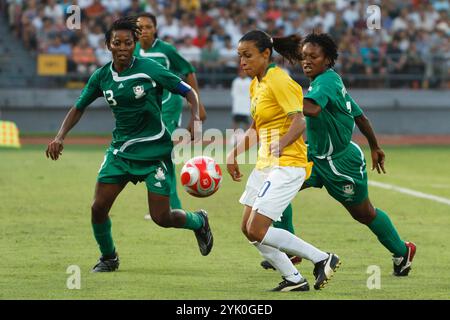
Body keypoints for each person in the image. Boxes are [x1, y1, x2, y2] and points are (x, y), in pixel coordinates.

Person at [45, 17, 213, 272]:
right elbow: (78, 107)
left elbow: (188, 90)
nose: (122, 47)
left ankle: (198, 220)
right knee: (98, 207)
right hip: (120, 153)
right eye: (117, 43)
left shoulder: (150, 68)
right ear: (108, 46)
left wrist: (196, 118)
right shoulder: (101, 77)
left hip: (155, 152)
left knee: (162, 218)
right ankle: (109, 257)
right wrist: (60, 136)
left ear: (135, 44)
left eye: (128, 42)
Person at [262, 33, 416, 277]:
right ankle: (290, 249)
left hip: (342, 164)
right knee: (277, 188)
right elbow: (360, 116)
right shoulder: (325, 81)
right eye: (304, 57)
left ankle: (402, 251)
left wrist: (279, 98)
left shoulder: (327, 82)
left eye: (314, 56)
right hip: (313, 157)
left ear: (328, 60)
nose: (307, 61)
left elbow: (311, 109)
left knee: (364, 214)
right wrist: (375, 146)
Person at [226, 30, 340, 292]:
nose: (242, 61)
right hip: (266, 165)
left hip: (288, 165)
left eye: (247, 55)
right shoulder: (257, 83)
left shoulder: (280, 80)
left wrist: (283, 142)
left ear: (266, 54)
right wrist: (234, 154)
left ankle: (322, 258)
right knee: (247, 228)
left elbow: (299, 121)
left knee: (257, 229)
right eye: (239, 56)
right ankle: (293, 278)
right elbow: (256, 127)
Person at [134, 13, 206, 213]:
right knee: (156, 154)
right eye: (140, 27)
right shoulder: (134, 50)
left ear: (155, 29)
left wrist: (197, 106)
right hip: (149, 108)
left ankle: (171, 206)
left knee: (162, 151)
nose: (144, 31)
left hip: (169, 104)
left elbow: (188, 70)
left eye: (148, 26)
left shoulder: (166, 50)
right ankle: (165, 204)